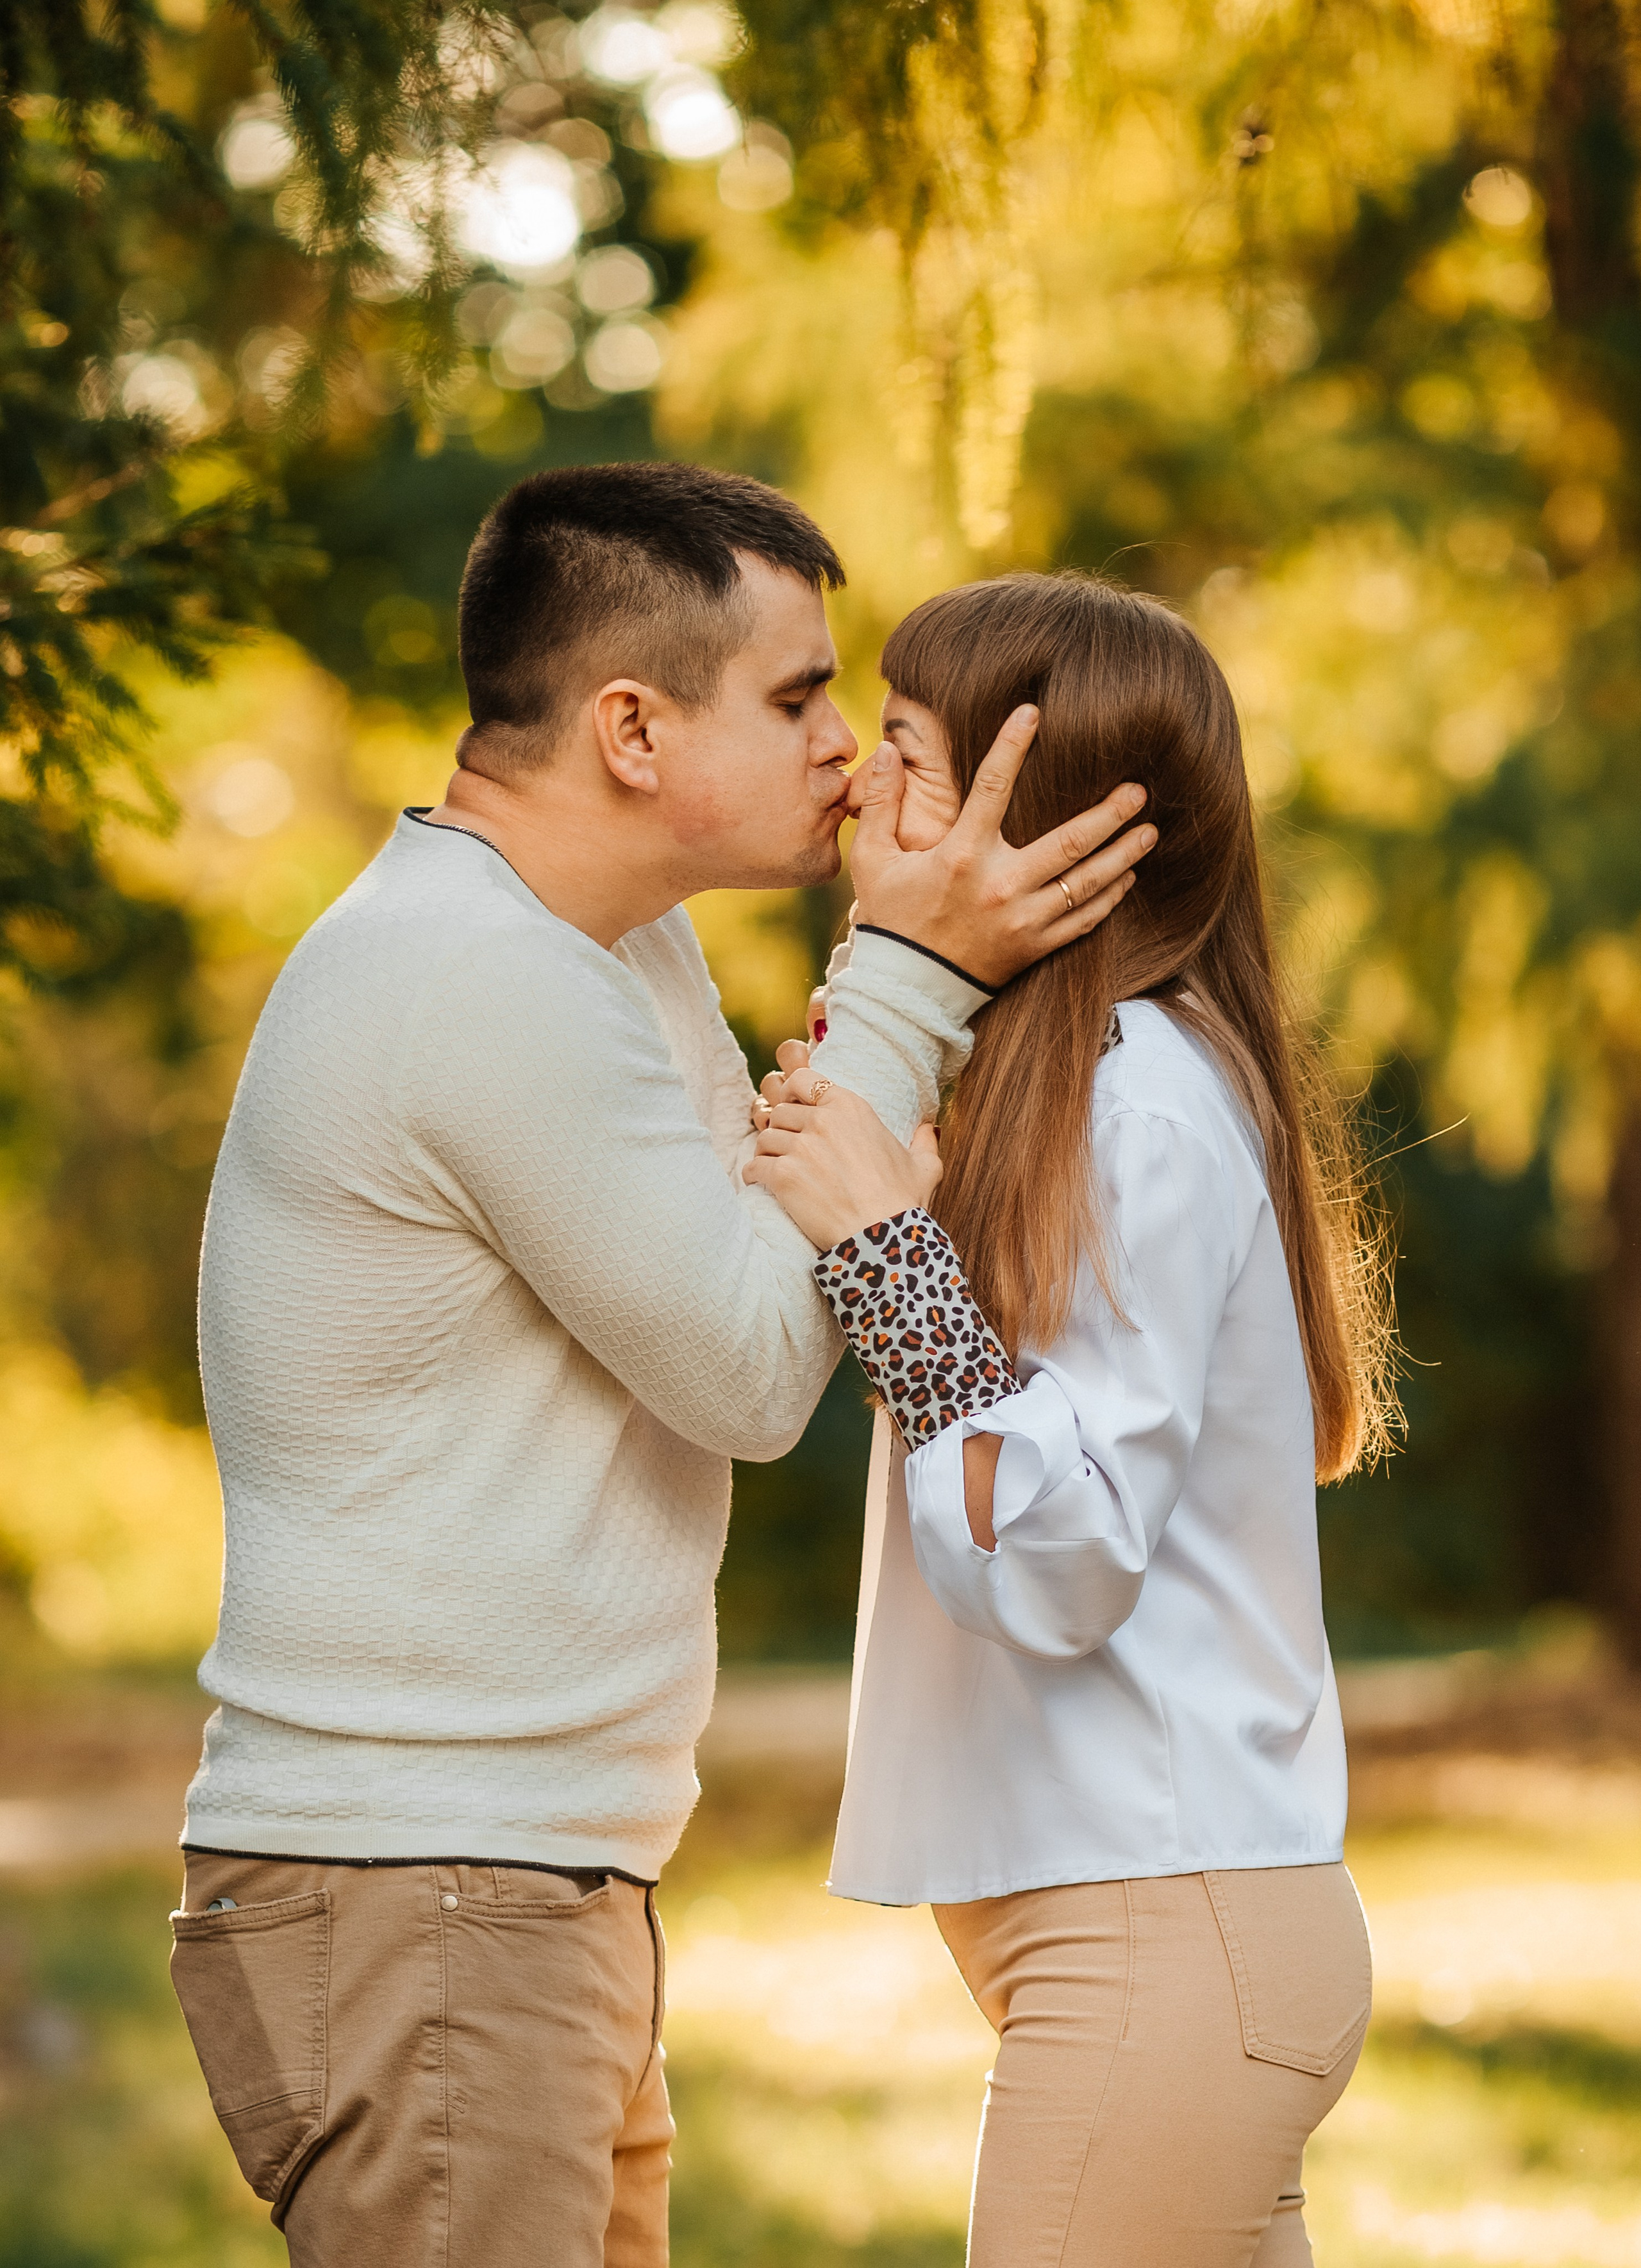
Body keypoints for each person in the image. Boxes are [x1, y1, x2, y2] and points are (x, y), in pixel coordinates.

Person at [166, 465, 1156, 2268]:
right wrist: (919, 971)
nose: (846, 752)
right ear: (631, 725)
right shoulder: (470, 975)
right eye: (797, 699)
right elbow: (766, 1364)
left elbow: (775, 1229)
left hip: (526, 1881)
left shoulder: (618, 951)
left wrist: (893, 992)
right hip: (426, 1888)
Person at [745, 569, 1397, 2268]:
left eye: (897, 746)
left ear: (1023, 813)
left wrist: (889, 1255)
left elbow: (1063, 1553)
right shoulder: (1072, 1092)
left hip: (1164, 1933)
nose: (853, 780)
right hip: (1161, 1936)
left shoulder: (1140, 1108)